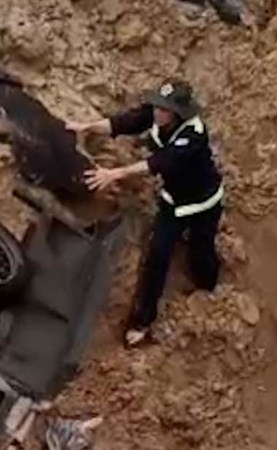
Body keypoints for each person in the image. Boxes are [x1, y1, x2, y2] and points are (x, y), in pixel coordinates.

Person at [67, 80, 224, 347]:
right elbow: (123, 123)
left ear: (177, 114)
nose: (157, 112)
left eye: (165, 109)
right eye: (158, 106)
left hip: (202, 203)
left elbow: (157, 164)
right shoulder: (155, 115)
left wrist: (113, 174)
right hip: (173, 201)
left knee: (202, 252)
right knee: (157, 256)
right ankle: (142, 320)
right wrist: (86, 126)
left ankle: (209, 289)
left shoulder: (193, 136)